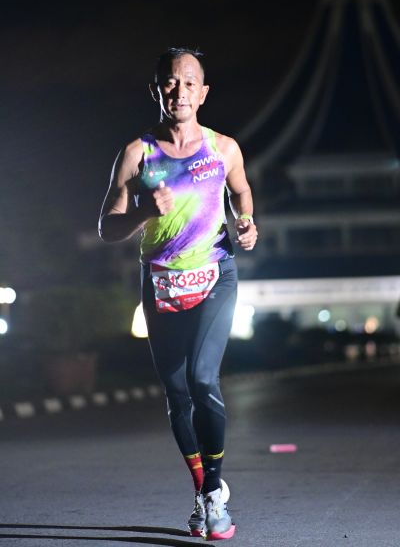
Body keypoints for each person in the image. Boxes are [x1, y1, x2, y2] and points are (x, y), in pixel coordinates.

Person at [98, 47, 258, 541]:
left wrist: (247, 223)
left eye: (189, 83)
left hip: (215, 275)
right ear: (156, 90)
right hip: (161, 280)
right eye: (171, 82)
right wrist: (145, 211)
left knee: (202, 378)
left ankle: (214, 493)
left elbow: (241, 192)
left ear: (203, 93)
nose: (180, 91)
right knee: (177, 393)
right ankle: (202, 487)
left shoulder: (223, 148)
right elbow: (107, 227)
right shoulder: (136, 154)